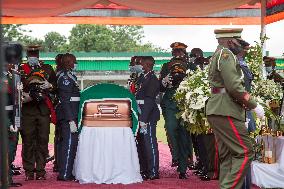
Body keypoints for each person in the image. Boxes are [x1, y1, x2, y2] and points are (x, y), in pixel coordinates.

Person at [206, 28, 265, 189]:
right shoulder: (226, 55)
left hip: (218, 108)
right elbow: (234, 86)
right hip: (226, 109)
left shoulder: (218, 54)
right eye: (239, 41)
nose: (241, 45)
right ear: (231, 41)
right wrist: (253, 105)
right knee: (245, 151)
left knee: (228, 155)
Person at [20, 45, 56, 180]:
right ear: (27, 55)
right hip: (27, 110)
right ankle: (29, 171)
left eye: (35, 54)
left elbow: (55, 87)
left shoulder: (47, 68)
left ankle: (40, 170)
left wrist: (50, 85)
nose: (33, 56)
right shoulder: (21, 69)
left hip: (43, 110)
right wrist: (23, 94)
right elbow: (15, 87)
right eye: (31, 54)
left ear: (39, 55)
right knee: (28, 141)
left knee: (42, 140)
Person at [160, 42, 192, 179]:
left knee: (184, 134)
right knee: (171, 129)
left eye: (180, 51)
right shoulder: (166, 66)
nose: (178, 54)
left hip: (185, 104)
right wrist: (164, 81)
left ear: (185, 53)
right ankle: (176, 156)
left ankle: (183, 167)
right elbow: (160, 88)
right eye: (175, 52)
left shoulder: (191, 66)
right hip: (170, 103)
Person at [56, 53, 80, 181]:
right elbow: (65, 100)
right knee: (69, 143)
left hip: (70, 113)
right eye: (74, 61)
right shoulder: (65, 77)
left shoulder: (69, 75)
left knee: (67, 143)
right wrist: (71, 120)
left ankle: (65, 171)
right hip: (68, 114)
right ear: (68, 62)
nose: (76, 63)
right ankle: (65, 174)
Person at [135, 56, 160, 180]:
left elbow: (149, 100)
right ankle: (144, 169)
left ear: (147, 65)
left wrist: (143, 119)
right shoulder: (142, 77)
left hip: (148, 116)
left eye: (141, 64)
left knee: (149, 143)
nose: (140, 66)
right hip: (141, 114)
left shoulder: (153, 79)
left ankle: (153, 171)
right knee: (141, 144)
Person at [3, 43, 23, 187]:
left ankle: (8, 178)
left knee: (11, 149)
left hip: (12, 116)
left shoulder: (12, 75)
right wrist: (7, 124)